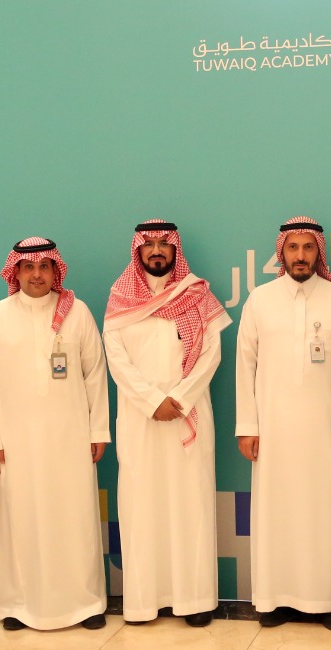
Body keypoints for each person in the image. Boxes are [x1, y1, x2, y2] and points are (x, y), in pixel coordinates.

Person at [235, 216, 331, 631]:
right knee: (277, 513)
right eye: (293, 248)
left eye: (308, 247)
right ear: (281, 252)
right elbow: (245, 367)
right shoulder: (259, 300)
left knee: (328, 513)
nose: (300, 256)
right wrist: (248, 426)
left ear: (319, 253)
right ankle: (275, 599)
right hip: (274, 430)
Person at [0, 237, 111, 632]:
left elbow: (95, 374)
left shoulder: (77, 312)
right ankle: (19, 605)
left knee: (75, 518)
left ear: (55, 271)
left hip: (71, 437)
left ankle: (85, 604)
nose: (37, 275)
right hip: (16, 442)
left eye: (44, 267)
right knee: (22, 519)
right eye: (29, 267)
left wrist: (98, 430)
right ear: (15, 272)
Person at [104, 220, 230, 627]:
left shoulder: (197, 294)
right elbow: (116, 360)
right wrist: (152, 401)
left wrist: (180, 398)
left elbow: (211, 353)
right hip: (140, 421)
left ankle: (194, 601)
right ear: (138, 250)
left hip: (187, 416)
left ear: (176, 250)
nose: (156, 250)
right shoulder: (120, 299)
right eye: (150, 244)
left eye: (164, 244)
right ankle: (144, 603)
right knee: (142, 506)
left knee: (191, 506)